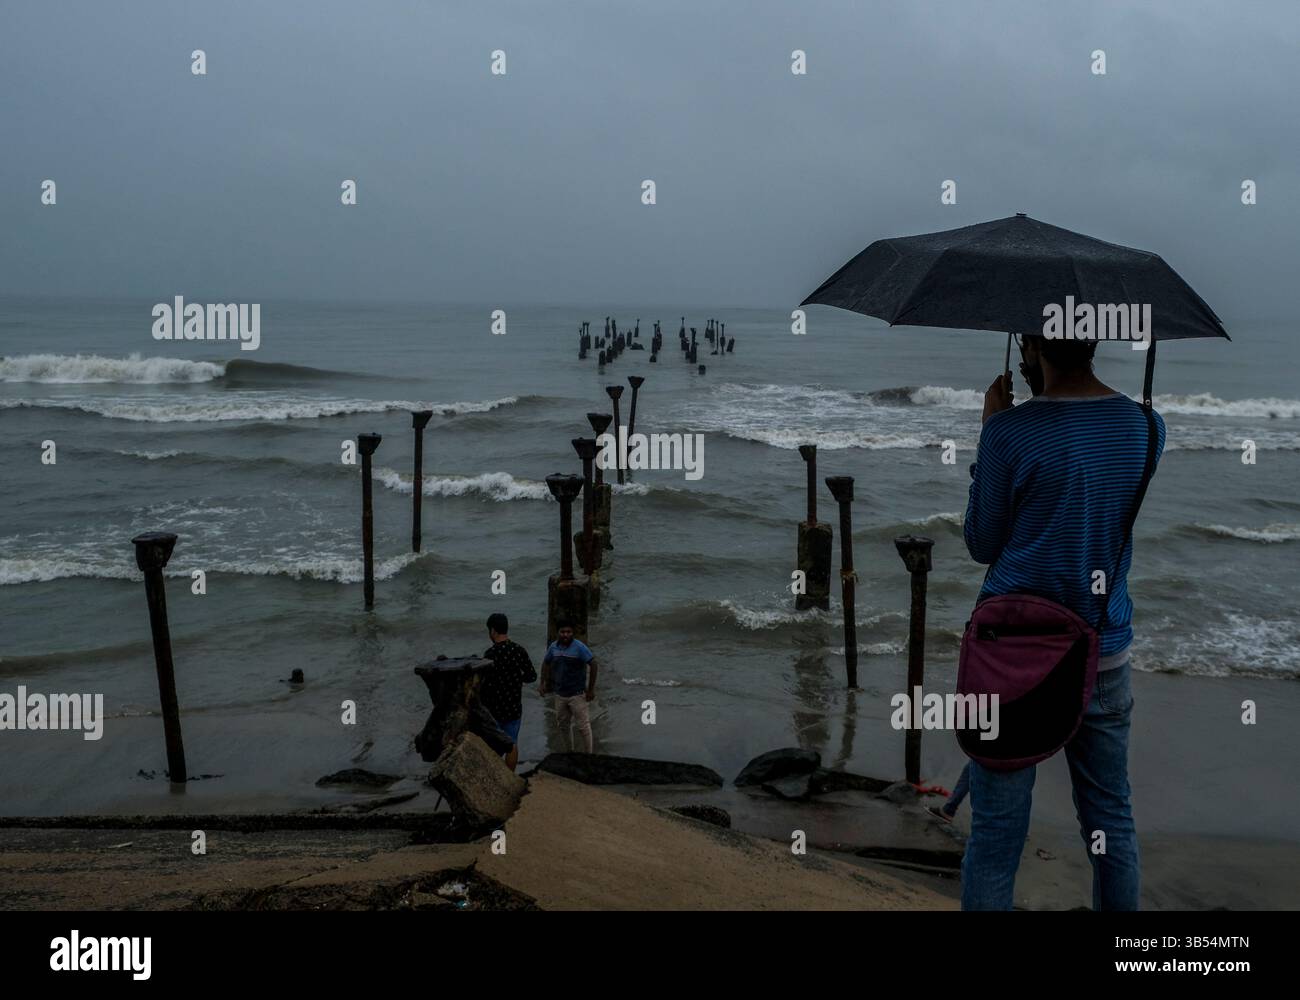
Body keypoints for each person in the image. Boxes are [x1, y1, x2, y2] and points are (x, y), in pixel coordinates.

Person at [961, 333, 1165, 911]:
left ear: (1029, 344)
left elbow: (981, 542)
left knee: (997, 833)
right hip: (1102, 651)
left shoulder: (1008, 434)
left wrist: (991, 432)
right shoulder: (1148, 428)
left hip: (1013, 657)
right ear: (1095, 336)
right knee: (1110, 823)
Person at [479, 613, 536, 772]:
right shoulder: (519, 650)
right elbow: (532, 676)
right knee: (511, 743)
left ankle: (496, 777)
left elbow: (483, 683)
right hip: (513, 705)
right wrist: (517, 679)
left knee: (493, 745)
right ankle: (510, 776)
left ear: (493, 631)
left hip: (494, 708)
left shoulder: (490, 654)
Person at [540, 621, 598, 753]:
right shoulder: (553, 647)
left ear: (572, 633)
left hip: (577, 694)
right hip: (560, 694)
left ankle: (589, 756)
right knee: (563, 726)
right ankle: (569, 753)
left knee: (583, 727)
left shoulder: (579, 647)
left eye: (568, 632)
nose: (565, 635)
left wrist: (591, 689)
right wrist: (542, 683)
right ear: (558, 633)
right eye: (562, 632)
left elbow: (593, 664)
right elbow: (546, 663)